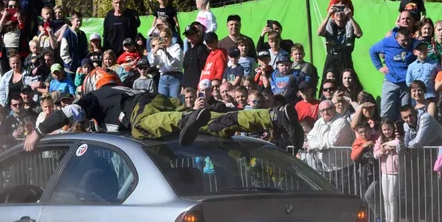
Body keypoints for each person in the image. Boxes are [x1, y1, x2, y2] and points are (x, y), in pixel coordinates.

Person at [23, 69, 304, 151]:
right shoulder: (124, 87)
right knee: (219, 121)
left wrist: (38, 131)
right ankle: (274, 116)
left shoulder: (95, 96)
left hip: (142, 113)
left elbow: (69, 114)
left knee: (146, 127)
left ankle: (188, 119)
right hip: (157, 97)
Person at [369, 25, 415, 121]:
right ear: (396, 38)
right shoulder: (387, 42)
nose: (406, 43)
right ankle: (385, 133)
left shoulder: (414, 43)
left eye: (408, 40)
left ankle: (403, 134)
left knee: (406, 113)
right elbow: (372, 50)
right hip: (391, 81)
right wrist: (379, 67)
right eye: (403, 40)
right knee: (386, 112)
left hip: (406, 83)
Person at [318, 3, 362, 75]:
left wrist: (350, 16)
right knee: (329, 83)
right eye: (337, 10)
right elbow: (319, 32)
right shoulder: (330, 26)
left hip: (346, 59)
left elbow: (359, 34)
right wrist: (328, 15)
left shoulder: (349, 26)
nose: (339, 13)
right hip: (331, 59)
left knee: (347, 82)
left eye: (342, 10)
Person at [405, 41, 439, 112]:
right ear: (415, 52)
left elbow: (440, 76)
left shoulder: (434, 64)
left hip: (431, 96)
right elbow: (409, 82)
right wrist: (415, 92)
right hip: (417, 97)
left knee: (431, 117)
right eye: (420, 49)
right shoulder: (411, 66)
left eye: (425, 48)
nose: (423, 51)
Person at [181, 23, 209, 93]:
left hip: (196, 87)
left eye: (192, 34)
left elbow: (203, 69)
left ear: (197, 34)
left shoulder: (202, 48)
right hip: (186, 87)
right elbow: (186, 71)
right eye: (187, 34)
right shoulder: (188, 51)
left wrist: (200, 87)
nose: (190, 36)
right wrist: (182, 88)